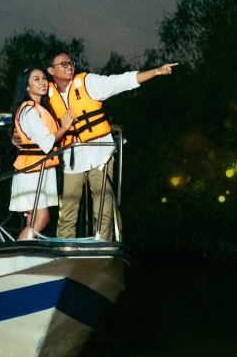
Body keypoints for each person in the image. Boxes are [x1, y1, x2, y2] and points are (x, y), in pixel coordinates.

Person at [43, 51, 176, 240]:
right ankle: (64, 247)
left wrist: (155, 71)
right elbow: (31, 114)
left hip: (100, 154)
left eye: (70, 63)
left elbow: (121, 81)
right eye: (63, 64)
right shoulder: (46, 94)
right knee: (68, 208)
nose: (69, 66)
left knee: (103, 205)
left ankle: (102, 245)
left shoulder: (87, 83)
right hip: (73, 157)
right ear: (51, 70)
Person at [9, 67, 74, 240]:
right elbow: (47, 142)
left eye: (44, 78)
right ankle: (18, 252)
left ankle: (24, 253)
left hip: (39, 169)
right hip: (33, 171)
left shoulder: (38, 109)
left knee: (32, 222)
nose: (43, 82)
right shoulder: (29, 111)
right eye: (36, 79)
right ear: (27, 87)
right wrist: (64, 128)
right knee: (42, 219)